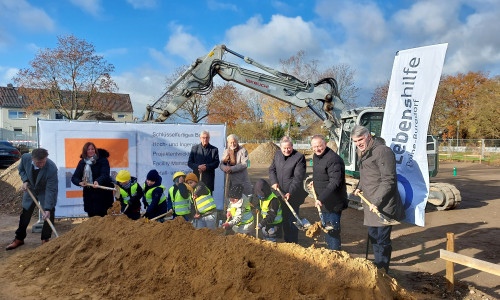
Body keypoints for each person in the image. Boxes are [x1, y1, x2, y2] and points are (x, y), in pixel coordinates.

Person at [351, 125, 405, 272]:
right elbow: (366, 174)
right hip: (370, 202)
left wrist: (376, 201)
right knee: (373, 236)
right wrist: (359, 186)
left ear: (369, 136)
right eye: (355, 141)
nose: (358, 144)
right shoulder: (361, 151)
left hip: (383, 204)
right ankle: (377, 266)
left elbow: (389, 180)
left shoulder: (383, 151)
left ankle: (383, 270)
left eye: (360, 139)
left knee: (382, 240)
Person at [6, 148, 58, 250]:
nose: (42, 165)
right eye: (39, 163)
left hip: (45, 191)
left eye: (43, 162)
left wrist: (47, 208)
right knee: (25, 213)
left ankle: (45, 239)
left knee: (49, 212)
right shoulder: (25, 158)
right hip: (31, 189)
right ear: (32, 159)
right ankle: (19, 238)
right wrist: (25, 180)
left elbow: (51, 189)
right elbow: (21, 169)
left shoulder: (51, 168)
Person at [308, 134, 348, 251]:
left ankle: (335, 255)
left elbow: (335, 182)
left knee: (333, 232)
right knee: (326, 230)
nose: (317, 149)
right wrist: (314, 182)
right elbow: (320, 173)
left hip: (333, 203)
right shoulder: (316, 156)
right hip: (324, 202)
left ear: (325, 144)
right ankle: (330, 253)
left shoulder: (333, 159)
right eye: (314, 147)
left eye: (319, 146)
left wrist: (321, 198)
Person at [269, 136, 307, 244]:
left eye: (288, 148)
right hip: (279, 192)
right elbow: (272, 169)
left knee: (293, 219)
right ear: (280, 147)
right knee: (283, 218)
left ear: (292, 146)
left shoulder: (299, 157)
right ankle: (286, 240)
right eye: (284, 148)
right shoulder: (277, 155)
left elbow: (298, 178)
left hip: (293, 194)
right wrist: (273, 182)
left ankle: (293, 242)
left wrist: (290, 192)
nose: (286, 150)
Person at [71, 142, 114, 217]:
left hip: (103, 195)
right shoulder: (82, 162)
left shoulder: (103, 160)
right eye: (88, 149)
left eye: (92, 149)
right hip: (90, 197)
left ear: (95, 150)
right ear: (85, 151)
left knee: (104, 220)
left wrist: (98, 181)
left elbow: (105, 174)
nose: (91, 151)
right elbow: (74, 178)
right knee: (92, 220)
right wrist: (80, 182)